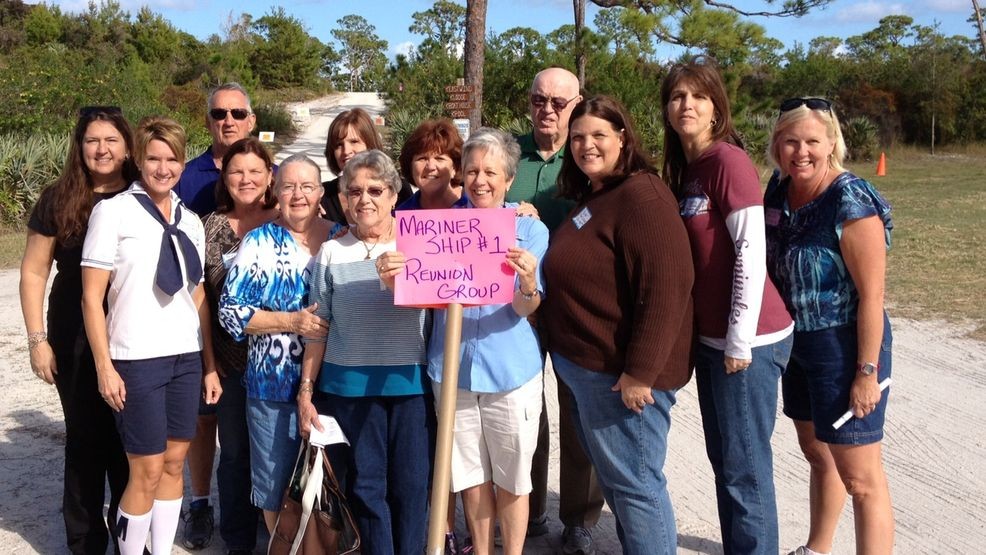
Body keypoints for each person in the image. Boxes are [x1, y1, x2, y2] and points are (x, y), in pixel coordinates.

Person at [377, 128, 549, 555]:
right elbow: (416, 296)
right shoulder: (436, 227)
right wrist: (390, 278)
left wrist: (527, 283)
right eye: (472, 170)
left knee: (512, 480)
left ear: (509, 179)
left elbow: (529, 308)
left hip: (510, 373)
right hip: (451, 371)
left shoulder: (529, 231)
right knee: (469, 477)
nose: (480, 180)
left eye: (491, 171)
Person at [540, 96, 694, 555]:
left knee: (637, 489)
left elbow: (669, 286)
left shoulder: (642, 196)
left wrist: (641, 373)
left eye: (599, 136)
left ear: (623, 138)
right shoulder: (599, 193)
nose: (587, 145)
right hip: (590, 372)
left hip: (620, 380)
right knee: (622, 488)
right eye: (579, 137)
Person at [659, 58, 795, 554]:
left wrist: (738, 340)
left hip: (750, 341)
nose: (686, 105)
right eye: (677, 97)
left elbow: (749, 251)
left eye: (697, 96)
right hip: (715, 340)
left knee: (745, 468)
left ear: (717, 107)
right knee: (728, 463)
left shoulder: (728, 161)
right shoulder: (691, 168)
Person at [80, 116, 222, 555]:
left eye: (173, 159)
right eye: (154, 158)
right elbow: (90, 297)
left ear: (183, 163)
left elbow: (198, 297)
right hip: (136, 359)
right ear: (139, 160)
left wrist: (210, 366)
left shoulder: (190, 220)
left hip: (185, 358)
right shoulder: (113, 212)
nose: (164, 168)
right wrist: (105, 367)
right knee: (144, 470)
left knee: (174, 464)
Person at [764, 98, 894, 555]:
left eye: (812, 141)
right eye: (790, 141)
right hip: (795, 345)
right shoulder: (778, 192)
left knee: (862, 479)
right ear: (777, 146)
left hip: (844, 345)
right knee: (819, 454)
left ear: (832, 143)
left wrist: (866, 372)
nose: (801, 151)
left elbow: (872, 297)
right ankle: (818, 548)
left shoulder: (851, 199)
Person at [298, 150, 434, 555]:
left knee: (412, 486)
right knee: (366, 486)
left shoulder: (421, 246)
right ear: (342, 200)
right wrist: (306, 391)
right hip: (348, 389)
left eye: (376, 189)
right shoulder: (332, 252)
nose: (365, 199)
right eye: (354, 191)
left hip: (410, 385)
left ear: (394, 194)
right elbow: (318, 329)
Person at [19, 105, 137, 555]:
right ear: (79, 146)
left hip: (132, 335)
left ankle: (133, 537)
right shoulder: (58, 198)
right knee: (86, 441)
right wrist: (37, 341)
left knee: (131, 443)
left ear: (127, 146)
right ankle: (86, 542)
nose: (102, 149)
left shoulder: (144, 195)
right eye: (92, 140)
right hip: (73, 337)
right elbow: (33, 273)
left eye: (111, 140)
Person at [506, 67, 603, 555]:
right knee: (526, 408)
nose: (547, 109)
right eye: (538, 99)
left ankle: (581, 518)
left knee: (579, 407)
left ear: (577, 102)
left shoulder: (590, 153)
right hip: (517, 303)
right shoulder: (507, 154)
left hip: (575, 303)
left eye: (559, 102)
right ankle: (533, 506)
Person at [218, 154, 335, 534]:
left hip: (337, 382)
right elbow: (231, 313)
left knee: (330, 484)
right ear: (276, 192)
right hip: (273, 387)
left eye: (307, 186)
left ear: (321, 193)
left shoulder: (341, 237)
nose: (298, 194)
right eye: (288, 186)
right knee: (274, 487)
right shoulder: (259, 243)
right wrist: (291, 321)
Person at [175, 82, 258, 550]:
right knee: (206, 422)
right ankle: (202, 503)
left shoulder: (272, 177)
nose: (227, 120)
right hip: (203, 324)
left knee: (257, 436)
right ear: (208, 120)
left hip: (264, 343)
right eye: (218, 113)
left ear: (251, 120)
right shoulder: (188, 177)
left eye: (237, 113)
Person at [200, 137, 279, 555]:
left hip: (281, 366)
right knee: (233, 456)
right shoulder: (210, 226)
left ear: (270, 176)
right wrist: (209, 366)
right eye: (236, 171)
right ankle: (238, 540)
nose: (245, 179)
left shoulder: (288, 219)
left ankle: (284, 534)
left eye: (254, 171)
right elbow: (202, 302)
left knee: (279, 451)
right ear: (224, 177)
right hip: (230, 364)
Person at [394, 118, 468, 554]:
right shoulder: (401, 215)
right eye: (421, 157)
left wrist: (520, 211)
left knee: (454, 441)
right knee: (425, 440)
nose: (431, 165)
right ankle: (432, 524)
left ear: (455, 164)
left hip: (454, 346)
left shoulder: (472, 211)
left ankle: (449, 528)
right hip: (408, 345)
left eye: (441, 156)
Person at [322, 108, 411, 223]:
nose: (346, 151)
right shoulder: (323, 195)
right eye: (339, 145)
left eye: (354, 142)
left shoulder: (399, 189)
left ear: (370, 144)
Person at [397, 118, 467, 211]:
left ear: (455, 167)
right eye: (422, 158)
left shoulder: (477, 206)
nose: (430, 166)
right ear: (410, 167)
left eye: (439, 158)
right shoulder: (400, 218)